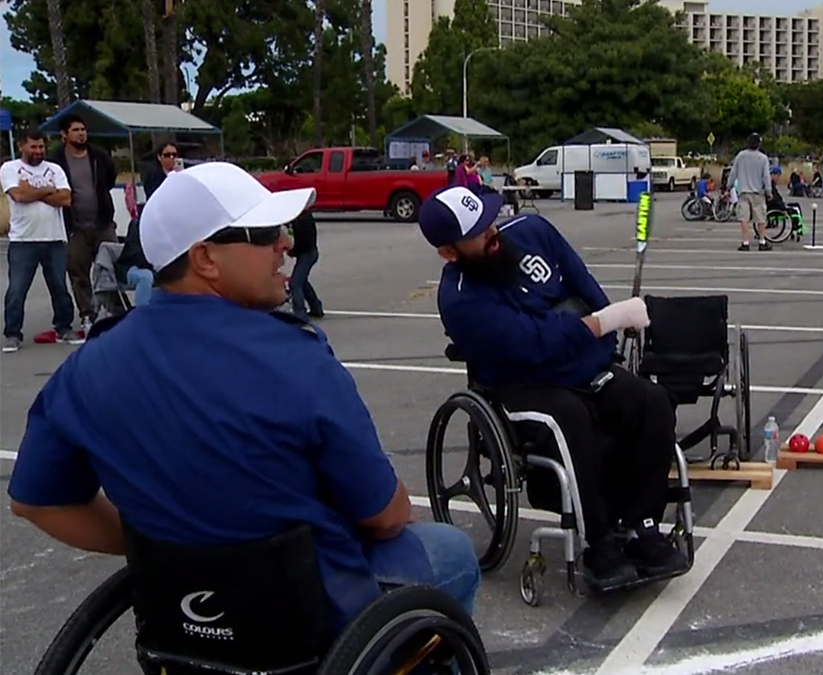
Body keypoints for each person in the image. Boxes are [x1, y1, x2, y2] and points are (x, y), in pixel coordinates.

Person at [6, 162, 480, 634]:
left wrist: (152, 549)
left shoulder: (86, 368)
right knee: (450, 550)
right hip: (311, 616)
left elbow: (36, 501)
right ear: (206, 259)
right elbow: (387, 515)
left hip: (180, 614)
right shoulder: (295, 356)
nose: (286, 243)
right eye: (267, 232)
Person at [418, 185, 690, 592]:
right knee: (568, 419)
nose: (492, 233)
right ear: (450, 252)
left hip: (584, 365)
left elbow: (589, 294)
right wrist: (599, 325)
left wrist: (595, 328)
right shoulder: (460, 300)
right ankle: (599, 543)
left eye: (490, 221)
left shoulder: (534, 231)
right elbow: (536, 346)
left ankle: (643, 526)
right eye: (478, 233)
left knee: (650, 401)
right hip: (521, 384)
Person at [2, 127, 78, 351]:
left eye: (41, 146)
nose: (38, 151)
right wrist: (48, 190)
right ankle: (13, 333)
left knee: (59, 287)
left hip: (54, 238)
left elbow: (66, 198)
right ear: (21, 146)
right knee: (17, 289)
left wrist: (34, 191)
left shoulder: (55, 169)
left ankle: (64, 327)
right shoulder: (10, 168)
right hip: (23, 240)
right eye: (33, 146)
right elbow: (18, 196)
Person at [48, 114, 118, 337]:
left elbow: (111, 179)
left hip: (103, 223)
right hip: (74, 226)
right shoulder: (56, 160)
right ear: (64, 134)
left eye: (83, 129)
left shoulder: (98, 155)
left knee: (112, 267)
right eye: (76, 130)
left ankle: (116, 313)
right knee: (78, 271)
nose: (81, 133)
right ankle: (88, 314)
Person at [727, 132, 772, 251]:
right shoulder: (763, 158)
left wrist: (728, 186)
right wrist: (769, 191)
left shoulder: (740, 156)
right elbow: (766, 177)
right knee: (761, 218)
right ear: (759, 144)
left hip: (743, 192)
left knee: (744, 218)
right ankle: (762, 241)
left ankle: (745, 242)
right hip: (758, 192)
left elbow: (733, 173)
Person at [287, 208, 324, 318]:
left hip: (307, 254)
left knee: (295, 283)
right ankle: (316, 307)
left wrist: (293, 251)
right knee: (302, 281)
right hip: (308, 253)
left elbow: (303, 241)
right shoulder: (303, 217)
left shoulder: (301, 220)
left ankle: (300, 313)